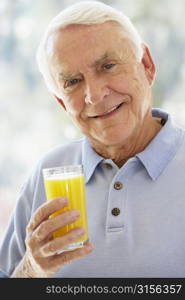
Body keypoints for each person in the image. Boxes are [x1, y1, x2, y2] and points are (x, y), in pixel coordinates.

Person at [0, 1, 185, 278]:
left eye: (108, 66)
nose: (95, 95)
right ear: (62, 103)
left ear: (146, 66)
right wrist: (30, 270)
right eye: (73, 82)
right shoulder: (46, 173)